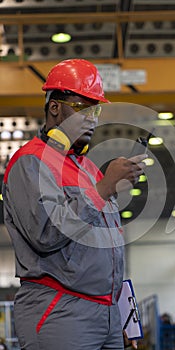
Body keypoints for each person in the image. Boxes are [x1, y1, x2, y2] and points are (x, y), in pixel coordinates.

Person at [2, 58, 147, 350]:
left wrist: (121, 316)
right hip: (61, 309)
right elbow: (45, 234)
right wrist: (104, 189)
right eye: (83, 107)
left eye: (96, 110)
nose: (92, 118)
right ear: (54, 107)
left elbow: (108, 250)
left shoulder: (89, 170)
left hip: (105, 314)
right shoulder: (31, 162)